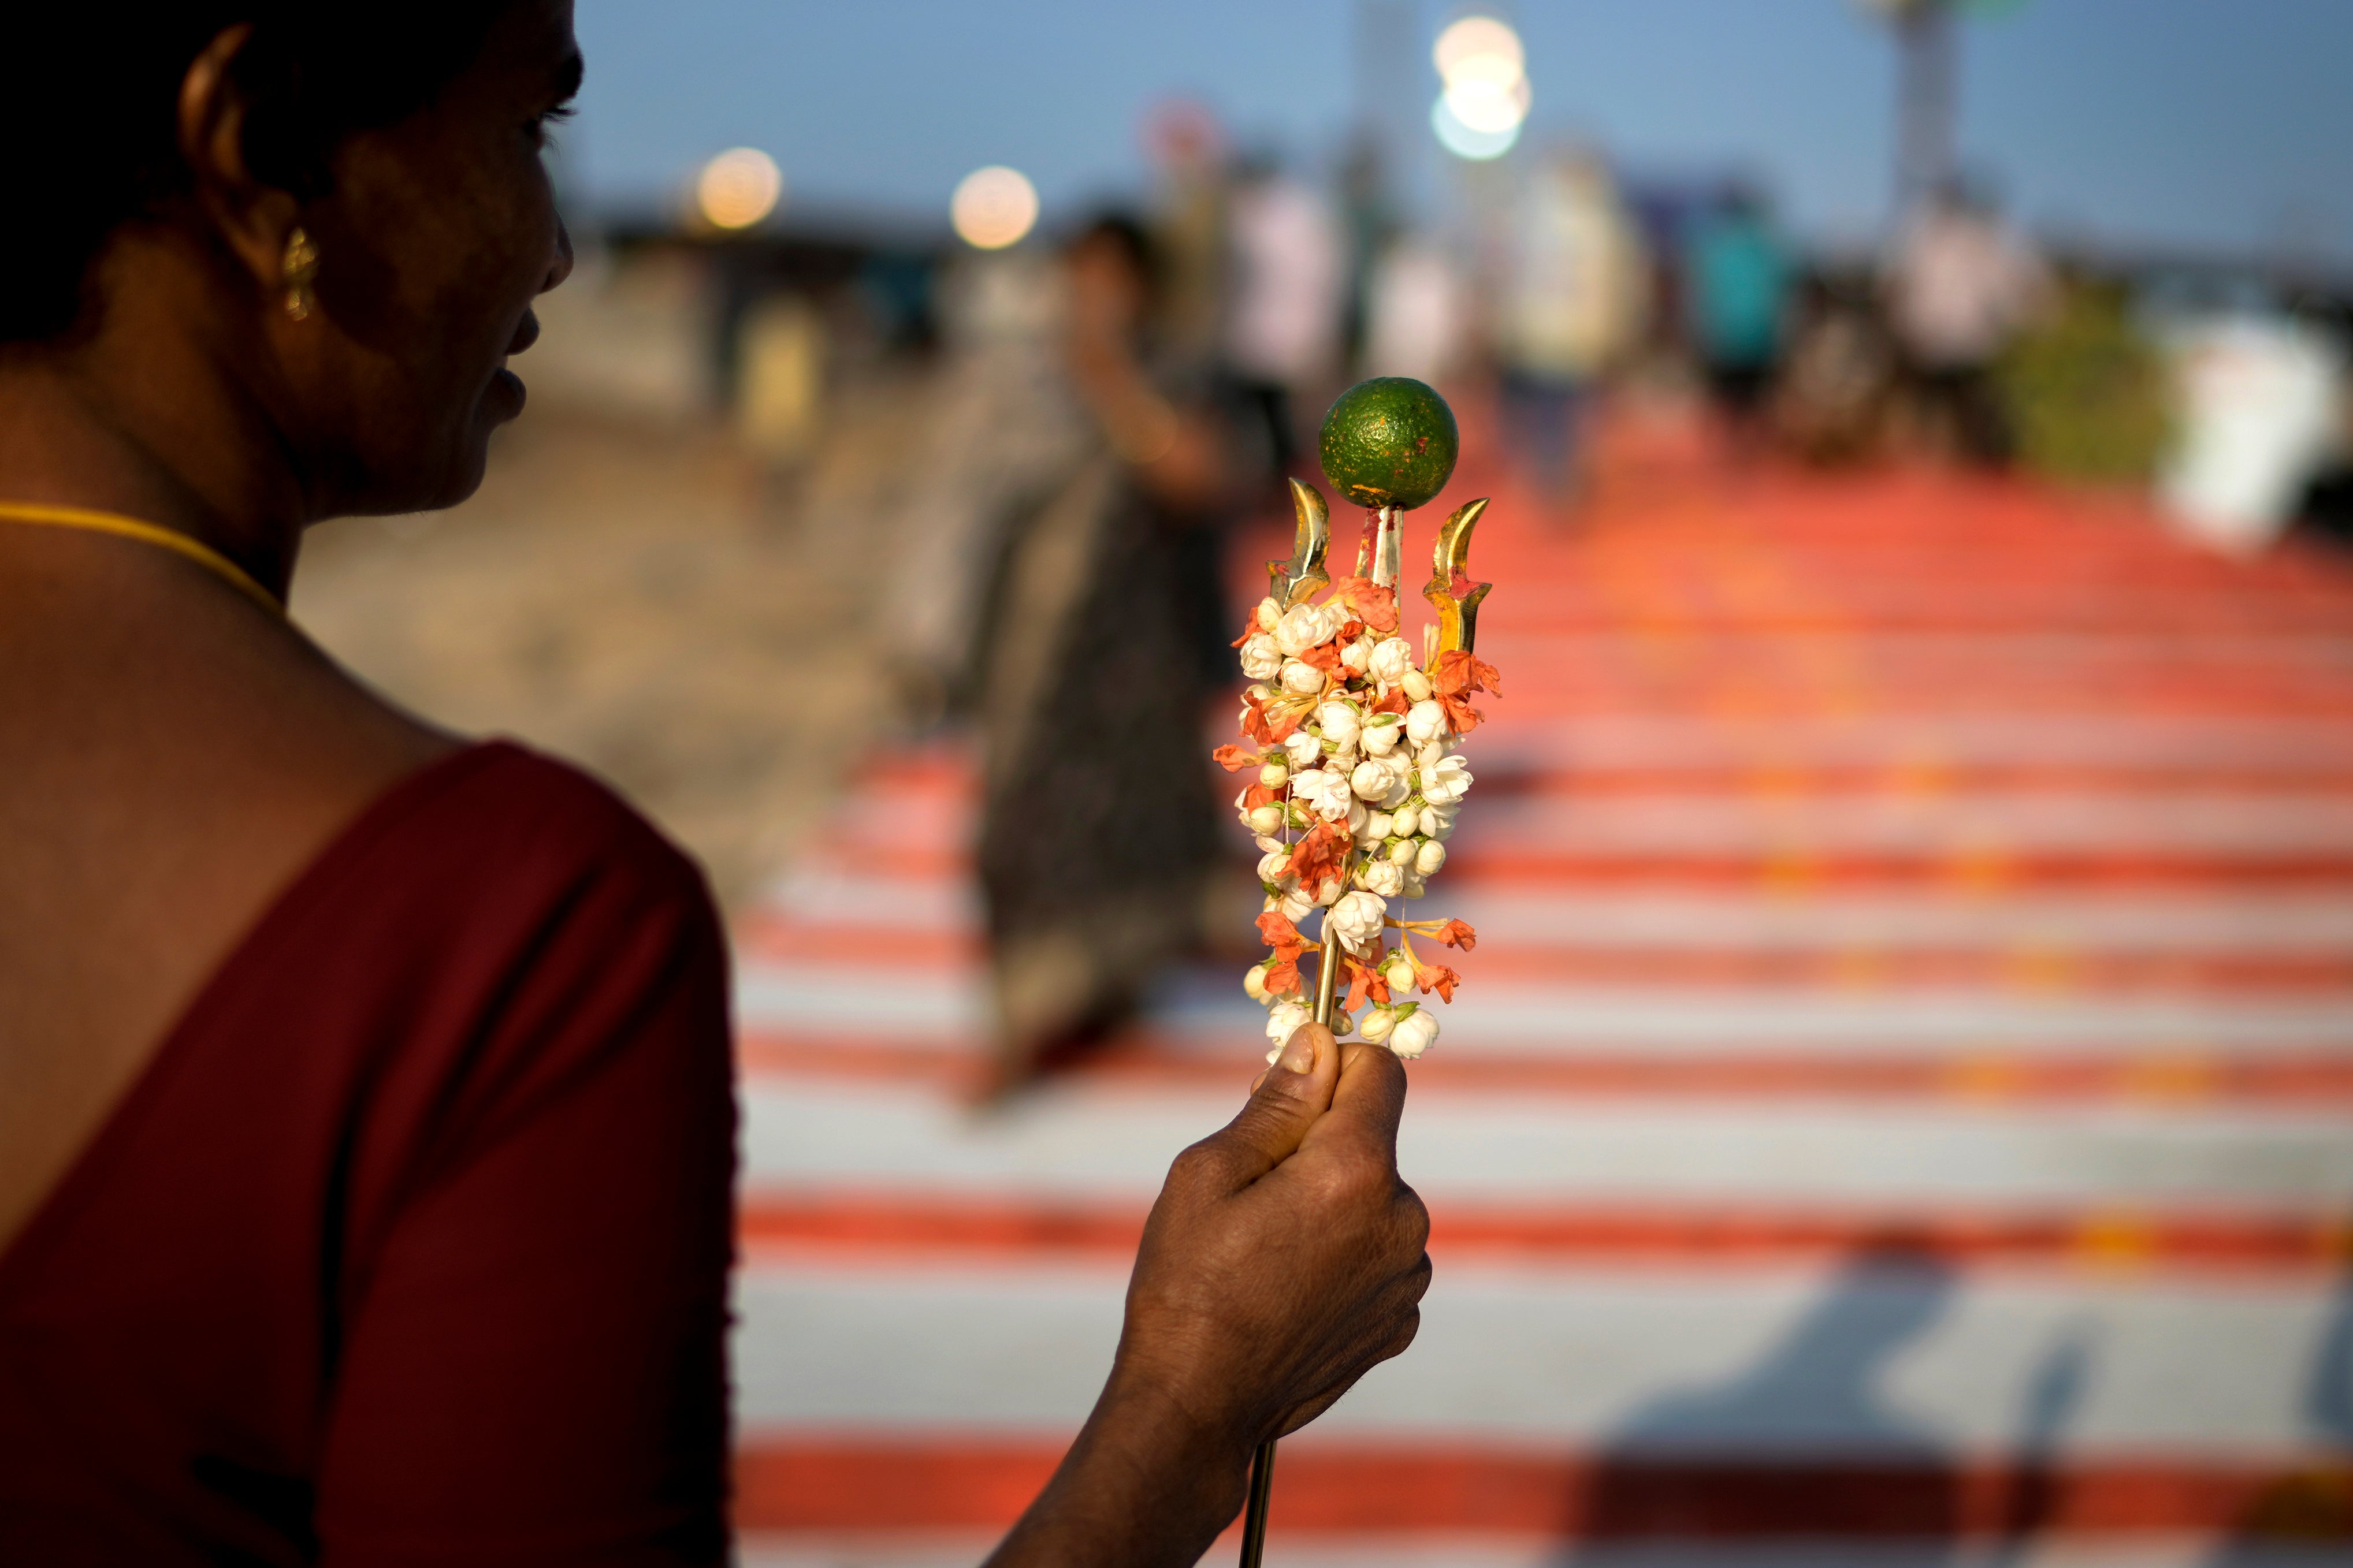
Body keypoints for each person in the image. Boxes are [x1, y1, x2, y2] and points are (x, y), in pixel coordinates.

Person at [0, 8, 1430, 1565]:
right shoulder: (505, 933)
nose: (554, 248)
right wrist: (1194, 1403)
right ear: (255, 149)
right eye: (533, 126)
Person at [974, 215, 1239, 1085]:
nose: (1095, 300)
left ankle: (1111, 988)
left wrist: (1111, 380)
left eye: (1113, 280)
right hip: (1036, 642)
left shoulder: (1175, 375)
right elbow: (954, 505)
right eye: (1079, 279)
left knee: (1133, 815)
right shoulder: (1011, 380)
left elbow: (1195, 474)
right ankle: (1019, 1021)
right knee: (1020, 822)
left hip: (1139, 644)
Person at [1495, 147, 1648, 511]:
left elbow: (1508, 278)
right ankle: (1560, 477)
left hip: (1537, 333)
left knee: (1548, 412)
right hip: (1583, 338)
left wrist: (1506, 326)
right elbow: (1622, 286)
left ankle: (1551, 477)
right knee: (1571, 413)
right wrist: (1619, 333)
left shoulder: (1529, 219)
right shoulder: (1607, 224)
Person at [1882, 181, 2051, 465]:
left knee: (1941, 410)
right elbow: (2018, 294)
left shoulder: (1922, 237)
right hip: (1969, 345)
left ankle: (1936, 462)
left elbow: (1895, 286)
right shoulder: (1987, 240)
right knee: (1967, 413)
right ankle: (1952, 462)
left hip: (1936, 341)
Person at [1683, 184, 1794, 455]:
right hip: (1761, 337)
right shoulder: (1768, 245)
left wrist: (1697, 329)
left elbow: (1701, 293)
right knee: (1755, 398)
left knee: (1727, 397)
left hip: (1723, 338)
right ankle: (1751, 446)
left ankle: (1731, 447)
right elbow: (1784, 291)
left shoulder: (1714, 246)